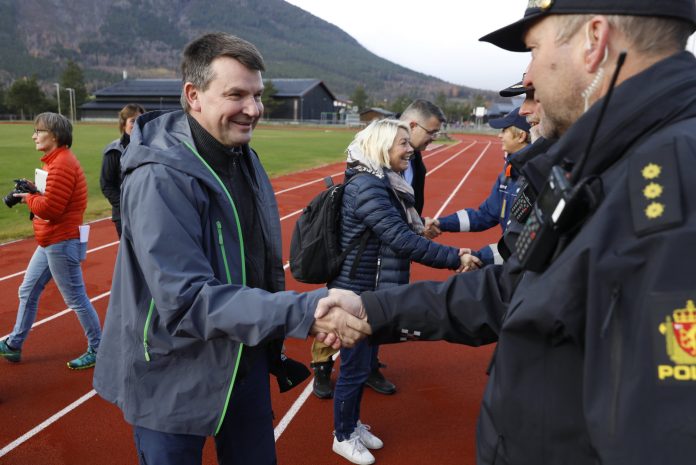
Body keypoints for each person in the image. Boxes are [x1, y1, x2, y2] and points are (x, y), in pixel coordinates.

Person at [317, 1, 696, 463]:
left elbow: (665, 433)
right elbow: (518, 288)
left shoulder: (674, 183)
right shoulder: (601, 161)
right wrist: (374, 308)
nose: (528, 76)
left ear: (594, 41)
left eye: (533, 50)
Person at [92, 32, 369, 465]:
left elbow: (256, 265)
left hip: (242, 355)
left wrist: (285, 324)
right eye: (236, 95)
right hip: (170, 371)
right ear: (193, 96)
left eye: (256, 95)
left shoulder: (243, 155)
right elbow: (187, 300)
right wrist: (307, 312)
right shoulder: (158, 178)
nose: (253, 108)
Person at [329, 118, 479, 465]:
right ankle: (343, 435)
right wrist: (454, 258)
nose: (410, 149)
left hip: (370, 288)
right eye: (403, 143)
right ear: (383, 146)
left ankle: (352, 424)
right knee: (353, 368)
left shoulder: (382, 182)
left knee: (362, 364)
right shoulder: (368, 187)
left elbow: (401, 233)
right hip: (356, 290)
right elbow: (401, 238)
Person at [310, 99, 447, 399]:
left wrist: (416, 226)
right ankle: (322, 366)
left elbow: (408, 206)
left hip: (386, 252)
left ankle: (369, 367)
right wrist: (453, 256)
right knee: (339, 312)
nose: (434, 138)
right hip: (361, 255)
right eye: (431, 132)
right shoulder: (371, 156)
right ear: (413, 126)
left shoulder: (415, 162)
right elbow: (371, 209)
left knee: (376, 313)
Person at [0, 112, 102, 370]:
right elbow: (52, 197)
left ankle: (99, 348)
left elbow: (51, 209)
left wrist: (27, 198)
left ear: (54, 135)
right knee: (28, 290)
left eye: (38, 131)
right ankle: (14, 344)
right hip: (51, 240)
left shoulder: (62, 164)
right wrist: (34, 190)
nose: (34, 136)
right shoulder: (55, 161)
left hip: (61, 240)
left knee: (76, 298)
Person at [427, 107, 531, 265]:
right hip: (512, 264)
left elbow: (524, 242)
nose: (499, 135)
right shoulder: (509, 173)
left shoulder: (535, 177)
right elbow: (486, 215)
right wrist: (441, 223)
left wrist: (480, 256)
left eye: (504, 131)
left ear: (521, 136)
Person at [100, 103, 146, 237]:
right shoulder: (113, 151)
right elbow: (106, 184)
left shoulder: (149, 148)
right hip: (124, 216)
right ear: (123, 123)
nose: (136, 124)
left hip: (147, 213)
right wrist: (124, 205)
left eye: (139, 120)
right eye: (132, 121)